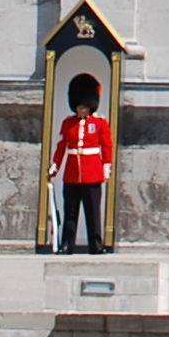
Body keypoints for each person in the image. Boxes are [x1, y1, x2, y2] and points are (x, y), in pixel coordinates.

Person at [53, 73, 113, 254]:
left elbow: (106, 146)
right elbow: (62, 146)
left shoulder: (100, 123)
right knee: (70, 212)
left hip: (92, 174)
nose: (81, 110)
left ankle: (96, 245)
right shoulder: (68, 123)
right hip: (72, 174)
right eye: (79, 107)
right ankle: (67, 244)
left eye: (84, 107)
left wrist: (106, 168)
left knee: (93, 213)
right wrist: (55, 166)